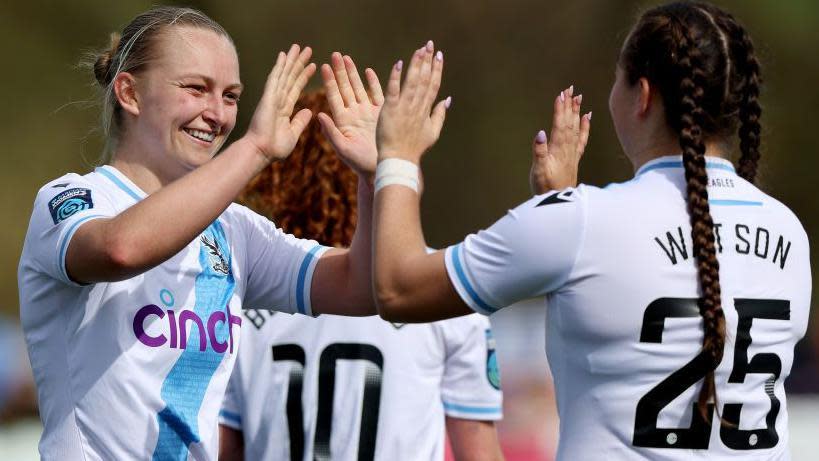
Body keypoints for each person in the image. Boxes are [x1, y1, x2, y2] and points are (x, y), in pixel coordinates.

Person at [372, 2, 810, 460]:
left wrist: (398, 155)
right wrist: (557, 212)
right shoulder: (790, 233)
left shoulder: (580, 222)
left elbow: (399, 289)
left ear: (642, 95)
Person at [17, 6, 380, 460]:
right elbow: (121, 249)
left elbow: (361, 286)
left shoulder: (234, 228)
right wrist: (256, 148)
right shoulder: (71, 199)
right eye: (196, 89)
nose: (218, 114)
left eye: (231, 96)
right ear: (129, 93)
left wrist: (375, 179)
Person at [217, 86, 504, 461]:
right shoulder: (441, 285)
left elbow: (225, 450)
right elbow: (478, 454)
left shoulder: (244, 285)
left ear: (282, 179)